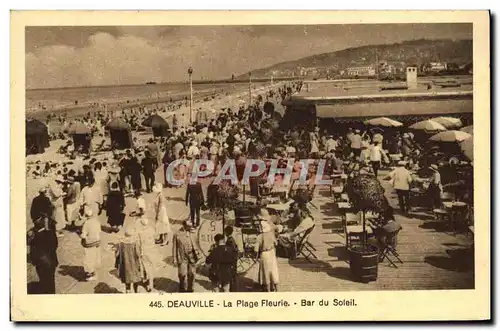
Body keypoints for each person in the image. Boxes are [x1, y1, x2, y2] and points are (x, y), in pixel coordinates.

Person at [27, 215, 58, 294]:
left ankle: (48, 292)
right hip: (46, 262)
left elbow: (53, 245)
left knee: (48, 280)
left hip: (45, 263)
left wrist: (32, 237)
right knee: (47, 279)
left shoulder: (44, 234)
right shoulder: (37, 232)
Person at [254, 210, 279, 292]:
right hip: (272, 252)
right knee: (273, 270)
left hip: (264, 254)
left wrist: (255, 255)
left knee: (266, 271)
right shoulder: (271, 230)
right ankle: (275, 288)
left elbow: (255, 249)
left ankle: (267, 289)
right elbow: (276, 242)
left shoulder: (260, 236)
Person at [172, 220, 199, 292]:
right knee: (182, 274)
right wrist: (174, 258)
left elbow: (197, 244)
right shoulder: (177, 234)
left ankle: (190, 288)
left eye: (191, 226)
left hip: (192, 256)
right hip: (182, 257)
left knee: (192, 274)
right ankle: (182, 288)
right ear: (184, 226)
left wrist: (199, 255)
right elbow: (174, 247)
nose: (191, 227)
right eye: (189, 226)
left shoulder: (193, 233)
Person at [135, 205, 156, 292]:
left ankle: (149, 284)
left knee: (147, 268)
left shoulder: (140, 233)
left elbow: (138, 244)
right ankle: (150, 282)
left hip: (144, 252)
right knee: (150, 267)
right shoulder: (151, 229)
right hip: (151, 251)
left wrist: (138, 253)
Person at [80, 206, 101, 281]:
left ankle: (92, 274)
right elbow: (99, 232)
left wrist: (81, 236)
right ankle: (93, 272)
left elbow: (83, 235)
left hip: (89, 243)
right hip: (97, 242)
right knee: (95, 258)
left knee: (89, 259)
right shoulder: (97, 222)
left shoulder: (86, 223)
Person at [224, 226, 239, 291]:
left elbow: (231, 251)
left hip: (231, 260)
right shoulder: (231, 239)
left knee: (231, 275)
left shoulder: (230, 241)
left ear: (227, 232)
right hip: (233, 260)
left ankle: (232, 289)